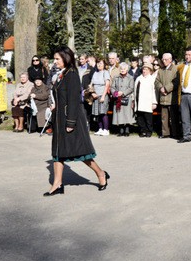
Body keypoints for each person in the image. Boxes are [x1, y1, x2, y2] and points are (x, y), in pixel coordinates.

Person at [44, 46, 108, 196]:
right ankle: (57, 184)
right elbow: (59, 95)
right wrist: (53, 105)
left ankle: (100, 173)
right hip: (59, 118)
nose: (55, 61)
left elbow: (73, 100)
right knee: (58, 152)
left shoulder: (72, 74)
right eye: (55, 59)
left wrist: (71, 123)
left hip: (70, 118)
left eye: (57, 59)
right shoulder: (61, 74)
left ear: (66, 58)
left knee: (81, 152)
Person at [155, 52, 179, 138]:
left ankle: (175, 133)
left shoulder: (175, 69)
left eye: (165, 59)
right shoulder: (161, 70)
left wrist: (166, 89)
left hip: (172, 97)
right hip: (163, 97)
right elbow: (156, 81)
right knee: (164, 117)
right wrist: (161, 88)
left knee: (174, 117)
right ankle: (165, 133)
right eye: (163, 59)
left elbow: (176, 81)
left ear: (170, 60)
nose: (164, 61)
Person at [111, 62, 135, 136]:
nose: (122, 70)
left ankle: (127, 130)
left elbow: (131, 88)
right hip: (118, 98)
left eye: (124, 69)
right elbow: (112, 87)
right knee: (119, 113)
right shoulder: (116, 77)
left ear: (127, 69)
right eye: (121, 69)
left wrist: (123, 93)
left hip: (127, 98)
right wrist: (115, 93)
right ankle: (121, 130)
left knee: (127, 114)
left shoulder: (130, 77)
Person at [134, 62, 157, 137]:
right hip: (139, 101)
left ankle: (149, 131)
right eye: (144, 69)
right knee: (140, 118)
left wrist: (154, 102)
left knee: (148, 118)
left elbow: (154, 91)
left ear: (150, 70)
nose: (144, 71)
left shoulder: (152, 79)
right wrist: (133, 101)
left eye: (146, 69)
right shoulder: (138, 78)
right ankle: (142, 131)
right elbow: (135, 90)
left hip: (148, 102)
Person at [90, 58, 111, 135]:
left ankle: (106, 129)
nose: (99, 65)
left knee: (103, 112)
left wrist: (103, 96)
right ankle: (100, 128)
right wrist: (92, 93)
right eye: (98, 63)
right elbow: (91, 84)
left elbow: (107, 85)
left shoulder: (105, 73)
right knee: (97, 113)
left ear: (104, 65)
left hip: (103, 95)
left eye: (101, 63)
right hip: (95, 95)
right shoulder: (95, 73)